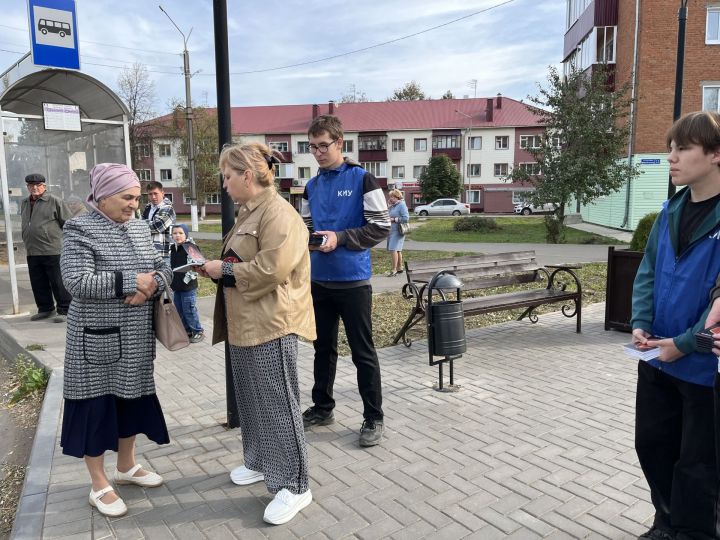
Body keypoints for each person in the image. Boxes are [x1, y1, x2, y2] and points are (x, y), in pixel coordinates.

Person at [198, 143, 316, 525]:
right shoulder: (250, 212)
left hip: (272, 325)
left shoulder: (279, 214)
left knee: (278, 405)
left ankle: (296, 486)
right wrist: (214, 266)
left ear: (247, 176)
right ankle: (261, 462)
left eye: (228, 177)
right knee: (251, 402)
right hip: (245, 322)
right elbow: (241, 259)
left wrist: (225, 271)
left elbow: (272, 269)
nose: (225, 184)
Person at [60, 163, 172, 518]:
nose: (133, 205)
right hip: (96, 342)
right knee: (96, 410)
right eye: (127, 197)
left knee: (130, 404)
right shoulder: (80, 228)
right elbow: (76, 282)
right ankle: (98, 483)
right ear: (104, 196)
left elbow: (162, 265)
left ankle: (126, 467)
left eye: (137, 198)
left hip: (136, 340)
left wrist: (152, 285)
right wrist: (131, 282)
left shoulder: (139, 228)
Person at [631, 110, 720, 540]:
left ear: (715, 154)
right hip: (656, 359)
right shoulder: (669, 210)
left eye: (682, 148)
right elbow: (648, 270)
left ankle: (692, 532)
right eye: (670, 148)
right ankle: (665, 521)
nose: (672, 157)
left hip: (702, 367)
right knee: (652, 446)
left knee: (698, 465)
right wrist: (640, 323)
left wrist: (685, 344)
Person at [300, 114, 391, 447]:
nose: (318, 153)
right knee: (322, 349)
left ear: (339, 143)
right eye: (312, 147)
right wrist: (309, 240)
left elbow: (382, 227)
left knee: (361, 352)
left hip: (352, 281)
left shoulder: (362, 179)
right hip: (319, 281)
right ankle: (323, 408)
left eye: (323, 146)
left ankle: (373, 417)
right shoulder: (311, 186)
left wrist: (340, 238)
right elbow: (306, 229)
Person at [20, 173, 73, 323]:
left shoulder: (54, 201)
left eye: (38, 185)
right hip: (32, 249)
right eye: (31, 185)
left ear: (44, 186)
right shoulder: (24, 202)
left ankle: (65, 309)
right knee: (38, 281)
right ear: (27, 187)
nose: (35, 188)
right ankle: (45, 309)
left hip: (53, 249)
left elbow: (68, 223)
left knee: (57, 281)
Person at [170, 224, 204, 343]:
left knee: (189, 309)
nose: (177, 235)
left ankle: (197, 331)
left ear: (186, 234)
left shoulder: (190, 247)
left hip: (188, 286)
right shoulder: (173, 248)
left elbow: (199, 262)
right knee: (180, 310)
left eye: (180, 233)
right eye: (175, 233)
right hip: (176, 285)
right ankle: (187, 330)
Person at [141, 181, 175, 261]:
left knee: (162, 274)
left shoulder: (168, 208)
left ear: (162, 193)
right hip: (148, 252)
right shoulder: (147, 208)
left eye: (155, 193)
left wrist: (139, 224)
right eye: (150, 194)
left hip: (163, 253)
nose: (153, 197)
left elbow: (157, 227)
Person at [385, 188, 409, 276]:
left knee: (393, 249)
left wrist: (394, 219)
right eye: (390, 197)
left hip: (398, 231)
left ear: (397, 197)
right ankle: (400, 268)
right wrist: (388, 206)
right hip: (391, 231)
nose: (390, 198)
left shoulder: (402, 205)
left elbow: (406, 218)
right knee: (398, 250)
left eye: (392, 197)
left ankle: (394, 270)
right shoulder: (393, 205)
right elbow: (387, 215)